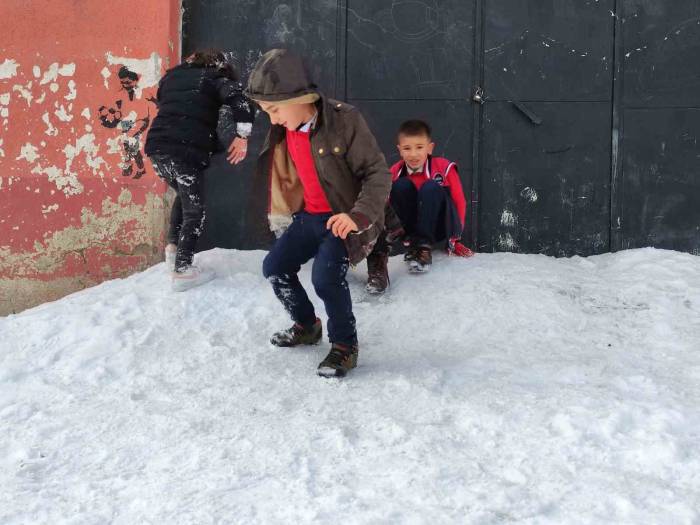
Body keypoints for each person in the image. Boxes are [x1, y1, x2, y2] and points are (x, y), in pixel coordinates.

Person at [245, 48, 392, 377]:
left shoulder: (344, 120)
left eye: (273, 109)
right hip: (308, 216)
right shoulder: (285, 126)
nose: (272, 119)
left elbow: (378, 173)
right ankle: (307, 325)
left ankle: (344, 346)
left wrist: (357, 216)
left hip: (341, 220)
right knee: (275, 267)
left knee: (325, 279)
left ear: (299, 97)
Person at [145, 50, 256, 291]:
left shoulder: (171, 78)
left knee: (185, 198)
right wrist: (242, 135)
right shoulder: (214, 78)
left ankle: (174, 253)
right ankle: (183, 271)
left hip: (157, 148)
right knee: (195, 210)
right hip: (184, 150)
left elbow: (165, 100)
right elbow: (240, 99)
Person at [387, 119, 473, 274]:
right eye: (407, 148)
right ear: (400, 150)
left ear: (430, 148)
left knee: (431, 187)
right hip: (409, 229)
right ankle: (413, 245)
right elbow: (384, 205)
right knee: (400, 186)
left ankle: (424, 248)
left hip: (438, 227)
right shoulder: (395, 171)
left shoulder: (444, 167)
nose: (413, 154)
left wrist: (455, 239)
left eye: (419, 147)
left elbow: (459, 201)